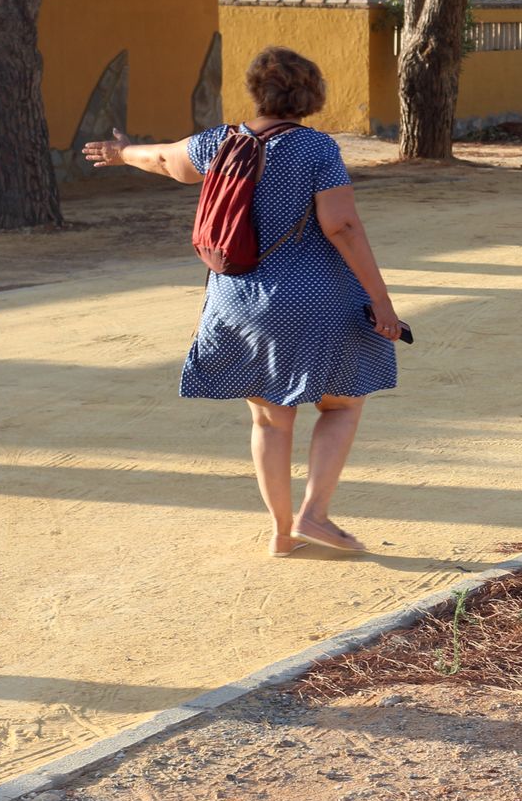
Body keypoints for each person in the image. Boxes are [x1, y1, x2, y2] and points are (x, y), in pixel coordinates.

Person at [83, 46, 402, 558]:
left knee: (270, 419)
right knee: (341, 402)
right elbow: (341, 226)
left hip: (237, 299)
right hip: (313, 299)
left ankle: (281, 532)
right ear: (312, 96)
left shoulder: (221, 141)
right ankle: (315, 514)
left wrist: (122, 152)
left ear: (257, 91)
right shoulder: (317, 150)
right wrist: (381, 302)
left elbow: (164, 158)